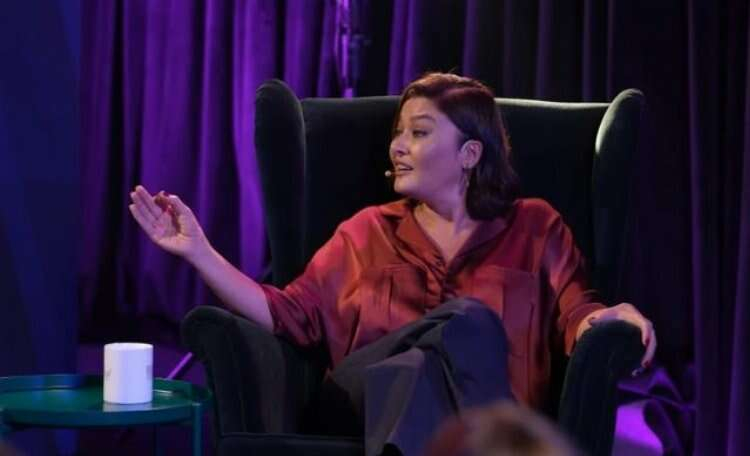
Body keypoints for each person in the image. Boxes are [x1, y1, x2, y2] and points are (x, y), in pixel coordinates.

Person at [129, 73, 656, 456]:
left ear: (471, 154)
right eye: (398, 133)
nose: (398, 146)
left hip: (408, 413)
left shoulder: (536, 227)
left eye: (419, 133)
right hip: (356, 400)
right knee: (467, 322)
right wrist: (199, 252)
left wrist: (613, 316)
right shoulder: (367, 231)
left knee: (418, 371)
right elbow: (286, 313)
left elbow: (576, 314)